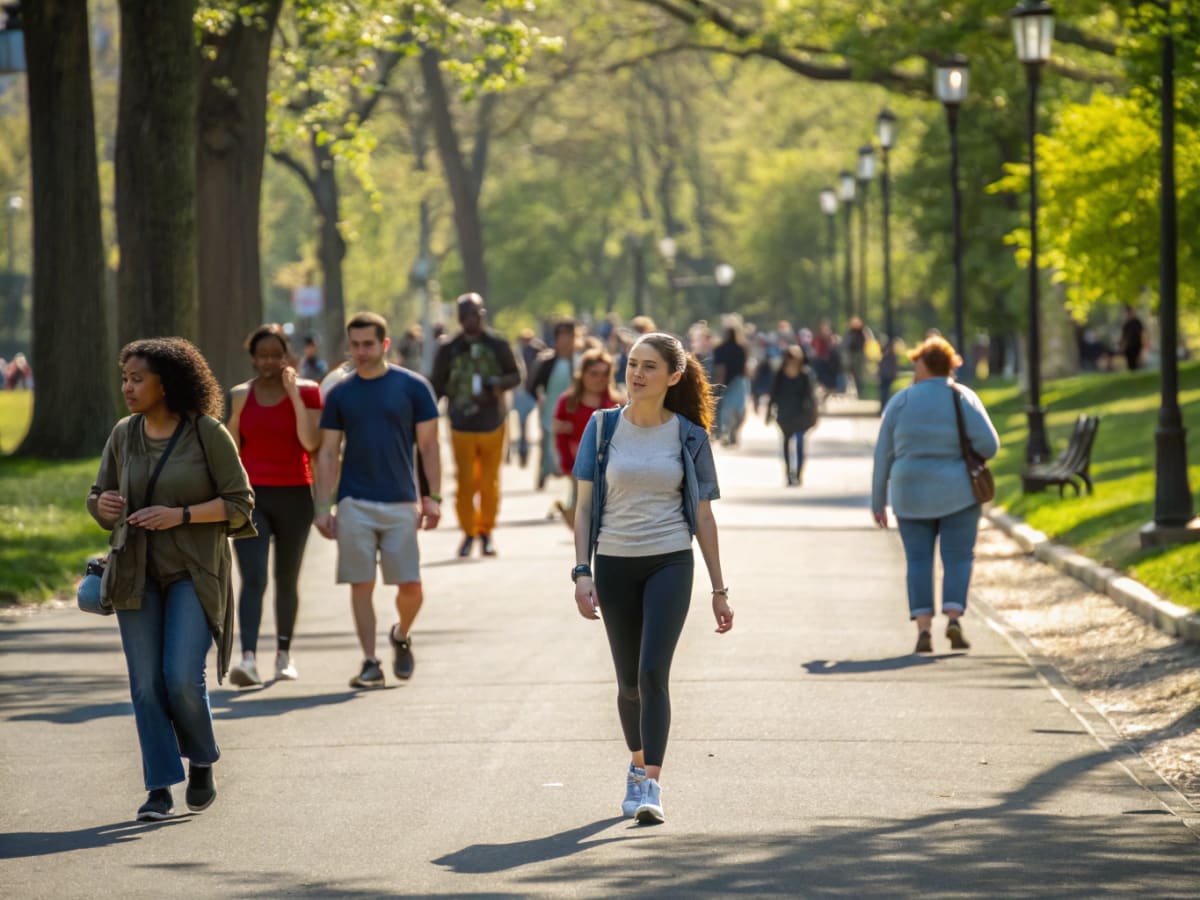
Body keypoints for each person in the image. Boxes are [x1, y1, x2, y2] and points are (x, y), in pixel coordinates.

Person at [85, 338, 255, 821]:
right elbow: (98, 497)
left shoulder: (207, 433)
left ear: (168, 383)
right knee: (145, 686)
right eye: (125, 378)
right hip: (135, 574)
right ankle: (159, 787)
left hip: (193, 573)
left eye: (138, 378)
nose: (128, 387)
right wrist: (104, 506)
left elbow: (240, 504)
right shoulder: (124, 434)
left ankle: (201, 757)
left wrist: (179, 515)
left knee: (180, 678)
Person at [571, 332, 733, 825]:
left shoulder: (689, 435)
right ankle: (637, 765)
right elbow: (581, 508)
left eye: (649, 367)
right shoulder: (601, 429)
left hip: (669, 561)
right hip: (615, 562)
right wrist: (581, 572)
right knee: (627, 685)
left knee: (651, 673)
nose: (636, 374)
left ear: (674, 377)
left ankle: (651, 787)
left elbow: (703, 516)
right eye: (632, 364)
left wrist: (718, 589)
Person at [315, 312, 443, 689]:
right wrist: (323, 507)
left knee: (411, 586)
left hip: (402, 500)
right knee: (361, 583)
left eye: (368, 344)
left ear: (385, 345)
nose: (361, 352)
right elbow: (327, 453)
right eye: (354, 345)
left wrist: (432, 496)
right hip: (354, 500)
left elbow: (430, 446)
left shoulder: (413, 387)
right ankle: (370, 660)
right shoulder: (340, 393)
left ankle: (401, 634)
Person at [871, 336, 999, 654]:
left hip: (908, 491)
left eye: (916, 361)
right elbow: (990, 445)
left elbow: (882, 455)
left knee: (918, 560)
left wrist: (878, 502)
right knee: (958, 557)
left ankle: (924, 629)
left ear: (925, 364)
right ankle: (954, 618)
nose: (913, 367)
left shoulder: (900, 402)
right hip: (958, 491)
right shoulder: (963, 397)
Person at [226, 324, 323, 687]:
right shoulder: (240, 395)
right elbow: (231, 450)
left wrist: (294, 394)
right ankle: (248, 658)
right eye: (262, 355)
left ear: (287, 358)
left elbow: (310, 442)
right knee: (253, 578)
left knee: (287, 578)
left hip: (296, 495)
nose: (268, 362)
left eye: (275, 355)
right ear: (252, 358)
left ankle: (284, 655)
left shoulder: (309, 392)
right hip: (252, 499)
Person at [430, 293, 522, 558]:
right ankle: (468, 532)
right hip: (460, 424)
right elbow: (437, 384)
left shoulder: (498, 344)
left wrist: (498, 384)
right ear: (459, 318)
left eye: (476, 315)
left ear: (482, 315)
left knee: (489, 482)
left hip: (493, 422)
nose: (471, 320)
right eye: (466, 315)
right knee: (466, 482)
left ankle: (486, 531)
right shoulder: (449, 348)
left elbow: (516, 375)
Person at [552, 347, 619, 528]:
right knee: (582, 508)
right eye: (593, 373)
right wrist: (566, 463)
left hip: (609, 467)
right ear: (582, 374)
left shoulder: (615, 403)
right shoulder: (568, 402)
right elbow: (559, 436)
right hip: (578, 466)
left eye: (604, 374)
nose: (599, 379)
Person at [529, 319, 578, 490]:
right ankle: (543, 474)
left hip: (575, 416)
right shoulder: (547, 362)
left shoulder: (580, 362)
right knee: (548, 449)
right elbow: (533, 386)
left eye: (569, 337)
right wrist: (541, 399)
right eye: (562, 337)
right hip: (550, 413)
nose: (566, 341)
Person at [766, 345, 819, 486]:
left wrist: (815, 414)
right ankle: (788, 473)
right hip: (784, 415)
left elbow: (812, 396)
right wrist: (769, 412)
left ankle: (799, 474)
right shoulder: (780, 374)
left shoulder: (805, 375)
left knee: (800, 443)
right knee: (786, 443)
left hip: (801, 415)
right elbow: (773, 394)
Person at [712, 318, 749, 447]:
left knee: (725, 409)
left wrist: (718, 386)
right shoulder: (742, 348)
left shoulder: (720, 349)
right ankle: (734, 431)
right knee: (739, 408)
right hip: (739, 380)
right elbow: (745, 369)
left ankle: (725, 433)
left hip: (725, 381)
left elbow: (720, 369)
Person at [1118, 305, 1146, 371]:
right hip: (1129, 346)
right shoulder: (1126, 323)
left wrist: (1144, 344)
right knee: (1130, 363)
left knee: (1136, 363)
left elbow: (1142, 333)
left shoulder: (1137, 322)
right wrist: (1122, 345)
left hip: (1137, 345)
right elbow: (1123, 336)